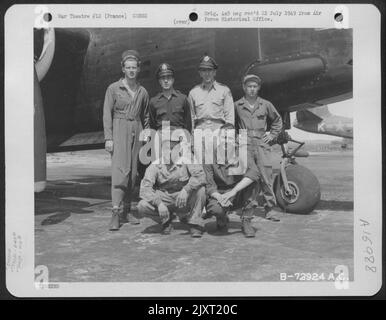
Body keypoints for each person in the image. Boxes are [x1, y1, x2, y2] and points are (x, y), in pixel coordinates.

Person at [103, 49, 150, 231]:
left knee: (132, 172)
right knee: (119, 171)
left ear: (138, 69)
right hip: (119, 127)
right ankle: (115, 212)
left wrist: (145, 133)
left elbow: (145, 115)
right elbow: (107, 114)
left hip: (136, 129)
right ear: (123, 69)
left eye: (134, 67)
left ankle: (127, 211)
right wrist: (108, 138)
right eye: (128, 67)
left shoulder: (142, 91)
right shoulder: (113, 89)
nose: (131, 70)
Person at [137, 135, 207, 238]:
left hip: (183, 198)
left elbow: (201, 176)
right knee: (142, 206)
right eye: (166, 150)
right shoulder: (155, 165)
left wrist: (186, 189)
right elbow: (144, 189)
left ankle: (195, 223)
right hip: (165, 198)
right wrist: (159, 203)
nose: (169, 153)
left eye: (172, 149)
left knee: (201, 190)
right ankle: (166, 220)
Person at [234, 74, 283, 221]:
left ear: (258, 88)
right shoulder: (237, 105)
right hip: (245, 144)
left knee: (266, 176)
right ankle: (248, 208)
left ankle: (270, 209)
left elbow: (277, 120)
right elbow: (230, 123)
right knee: (248, 177)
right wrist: (236, 138)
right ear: (244, 87)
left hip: (262, 143)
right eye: (249, 86)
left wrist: (273, 135)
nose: (252, 89)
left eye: (255, 86)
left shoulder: (266, 104)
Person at [203, 124, 260, 237]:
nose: (226, 141)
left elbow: (254, 172)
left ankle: (246, 220)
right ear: (218, 139)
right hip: (219, 194)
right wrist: (220, 197)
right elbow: (209, 184)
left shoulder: (242, 153)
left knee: (254, 182)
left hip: (236, 192)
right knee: (215, 209)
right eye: (224, 137)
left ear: (235, 140)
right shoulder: (209, 156)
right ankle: (222, 219)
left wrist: (233, 191)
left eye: (229, 138)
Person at [188, 55, 234, 131]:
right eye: (204, 70)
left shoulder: (224, 90)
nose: (207, 74)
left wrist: (227, 137)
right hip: (200, 133)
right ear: (200, 73)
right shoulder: (193, 93)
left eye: (210, 70)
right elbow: (191, 118)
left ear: (214, 72)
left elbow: (230, 118)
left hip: (219, 133)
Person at [149, 63, 192, 133]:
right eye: (163, 78)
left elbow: (188, 123)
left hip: (179, 138)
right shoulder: (153, 102)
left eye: (168, 78)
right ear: (159, 81)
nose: (166, 81)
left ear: (173, 79)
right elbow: (152, 125)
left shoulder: (182, 99)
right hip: (161, 138)